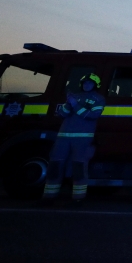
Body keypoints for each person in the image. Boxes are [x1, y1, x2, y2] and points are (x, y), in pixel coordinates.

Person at [42, 73, 105, 203]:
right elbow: (62, 113)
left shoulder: (98, 99)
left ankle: (78, 198)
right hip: (63, 137)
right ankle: (49, 196)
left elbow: (92, 115)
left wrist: (75, 105)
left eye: (90, 83)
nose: (87, 85)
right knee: (55, 165)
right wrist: (68, 103)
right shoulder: (74, 97)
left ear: (95, 85)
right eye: (85, 83)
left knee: (79, 166)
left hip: (83, 138)